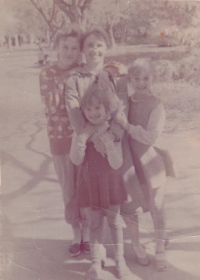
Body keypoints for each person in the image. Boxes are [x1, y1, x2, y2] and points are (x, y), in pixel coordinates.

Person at [65, 26, 149, 268]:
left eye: (99, 44)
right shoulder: (74, 80)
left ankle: (124, 254)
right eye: (89, 45)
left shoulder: (117, 76)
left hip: (114, 145)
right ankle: (96, 258)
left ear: (106, 48)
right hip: (90, 148)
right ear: (83, 49)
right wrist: (93, 136)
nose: (94, 49)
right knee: (93, 209)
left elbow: (121, 109)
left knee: (118, 208)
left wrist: (111, 136)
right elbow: (74, 114)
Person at [39, 26, 90, 257]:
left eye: (74, 48)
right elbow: (51, 105)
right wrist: (66, 77)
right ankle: (75, 233)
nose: (69, 52)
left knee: (86, 186)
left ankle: (88, 234)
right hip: (60, 139)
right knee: (68, 188)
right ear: (57, 48)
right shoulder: (47, 73)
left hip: (83, 137)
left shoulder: (84, 72)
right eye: (65, 47)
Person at [70, 85, 130, 280]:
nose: (93, 113)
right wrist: (83, 138)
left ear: (106, 109)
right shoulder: (81, 132)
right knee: (94, 223)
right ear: (83, 111)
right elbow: (76, 160)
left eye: (97, 108)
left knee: (114, 223)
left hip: (111, 182)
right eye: (88, 109)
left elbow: (117, 163)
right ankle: (96, 263)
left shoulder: (112, 131)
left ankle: (120, 262)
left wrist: (109, 146)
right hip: (90, 183)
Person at [115, 58, 168, 272]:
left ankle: (160, 248)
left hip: (149, 161)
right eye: (136, 78)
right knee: (130, 207)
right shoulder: (125, 102)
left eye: (146, 78)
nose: (141, 83)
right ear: (130, 80)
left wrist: (127, 125)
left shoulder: (156, 104)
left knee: (156, 205)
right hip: (129, 162)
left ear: (153, 78)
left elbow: (150, 136)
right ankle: (136, 245)